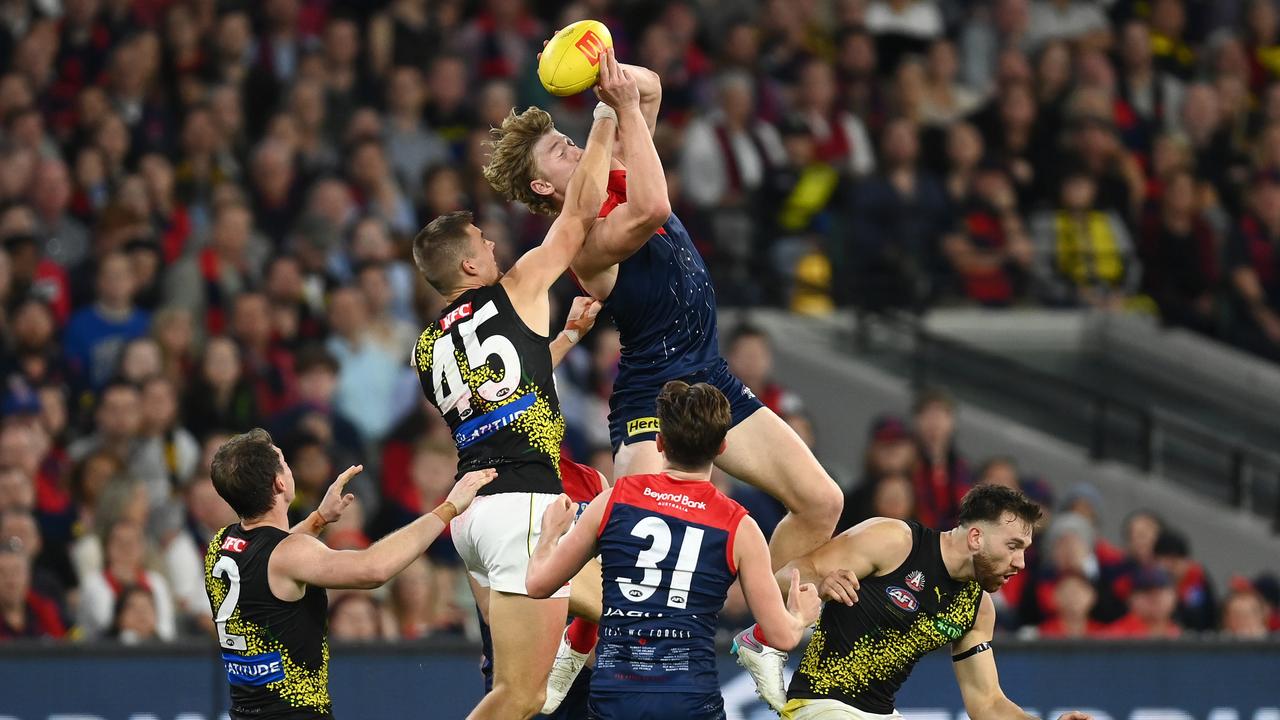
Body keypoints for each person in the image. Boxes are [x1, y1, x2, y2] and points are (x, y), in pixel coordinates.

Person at [482, 37, 841, 698]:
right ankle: (578, 638)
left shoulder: (616, 156)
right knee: (634, 544)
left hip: (712, 377)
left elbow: (645, 89)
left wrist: (605, 68)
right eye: (557, 152)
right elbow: (651, 208)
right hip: (654, 398)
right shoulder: (582, 239)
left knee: (822, 502)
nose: (571, 145)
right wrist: (611, 114)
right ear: (542, 185)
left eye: (568, 139)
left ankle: (761, 636)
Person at [409, 50, 631, 720]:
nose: (498, 246)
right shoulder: (515, 289)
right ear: (470, 262)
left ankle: (568, 669)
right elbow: (579, 212)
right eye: (485, 239)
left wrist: (559, 341)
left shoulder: (427, 347)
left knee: (544, 665)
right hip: (521, 506)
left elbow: (501, 401)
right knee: (520, 695)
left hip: (472, 514)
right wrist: (601, 120)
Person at [525, 381, 822, 720]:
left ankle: (575, 643)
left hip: (616, 696)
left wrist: (549, 535)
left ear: (660, 442)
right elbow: (781, 635)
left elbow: (538, 585)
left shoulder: (613, 500)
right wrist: (801, 616)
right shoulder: (740, 527)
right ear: (722, 447)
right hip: (689, 700)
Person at [203, 428, 494, 719]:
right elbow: (373, 569)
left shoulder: (222, 544)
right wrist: (448, 507)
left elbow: (271, 554)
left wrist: (318, 519)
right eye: (285, 463)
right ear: (280, 483)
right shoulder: (290, 554)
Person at [759, 484, 1092, 720]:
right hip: (819, 705)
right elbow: (784, 576)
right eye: (1013, 546)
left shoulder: (977, 609)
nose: (1020, 562)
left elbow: (987, 703)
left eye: (1025, 550)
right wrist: (819, 582)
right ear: (976, 537)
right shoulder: (894, 541)